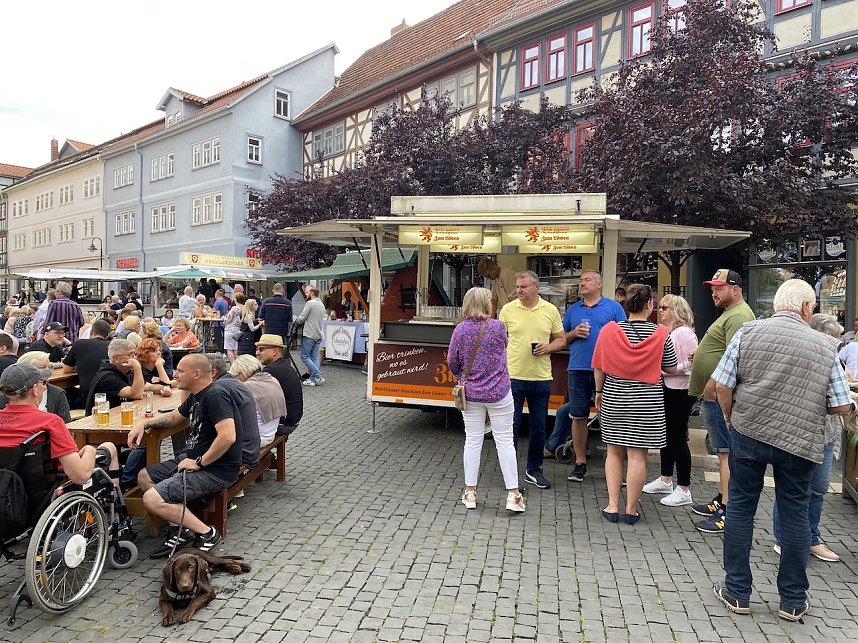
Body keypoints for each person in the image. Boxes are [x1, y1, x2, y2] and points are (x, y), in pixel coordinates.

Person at [711, 279, 852, 622]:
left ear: (776, 306)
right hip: (800, 441)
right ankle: (792, 599)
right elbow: (841, 406)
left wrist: (733, 420)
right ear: (806, 308)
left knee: (742, 507)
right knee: (795, 513)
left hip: (749, 433)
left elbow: (721, 386)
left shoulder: (747, 332)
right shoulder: (825, 345)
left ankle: (737, 591)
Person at [130, 353, 241, 557]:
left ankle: (208, 533)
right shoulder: (197, 395)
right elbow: (173, 418)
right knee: (144, 477)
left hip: (216, 469)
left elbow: (228, 436)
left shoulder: (216, 395)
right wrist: (143, 424)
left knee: (151, 499)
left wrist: (200, 462)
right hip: (193, 459)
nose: (175, 374)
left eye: (180, 370)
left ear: (196, 374)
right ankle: (181, 530)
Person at [591, 284, 677, 524]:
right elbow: (670, 366)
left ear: (626, 305)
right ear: (650, 305)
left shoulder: (610, 331)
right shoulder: (661, 334)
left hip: (615, 397)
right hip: (647, 402)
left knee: (614, 452)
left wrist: (599, 391)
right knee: (638, 456)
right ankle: (630, 510)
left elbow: (599, 365)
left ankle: (612, 505)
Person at [772, 313, 846, 563]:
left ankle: (811, 538)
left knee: (818, 489)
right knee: (792, 489)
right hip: (801, 432)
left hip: (826, 434)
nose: (834, 345)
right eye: (831, 339)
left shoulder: (834, 359)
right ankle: (785, 538)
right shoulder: (805, 357)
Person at [688, 269, 755, 534]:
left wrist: (713, 387)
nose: (713, 292)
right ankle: (721, 499)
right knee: (722, 453)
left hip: (719, 398)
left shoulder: (738, 314)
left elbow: (734, 359)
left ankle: (728, 510)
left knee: (726, 454)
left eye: (719, 288)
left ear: (735, 289)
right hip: (714, 396)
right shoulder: (731, 314)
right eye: (712, 288)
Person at [448, 287, 524, 513]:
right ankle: (513, 494)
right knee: (504, 442)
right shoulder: (498, 327)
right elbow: (505, 350)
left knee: (472, 441)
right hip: (499, 392)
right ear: (488, 304)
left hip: (471, 393)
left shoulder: (460, 330)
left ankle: (470, 492)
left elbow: (452, 361)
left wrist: (463, 374)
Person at [498, 270, 567, 490]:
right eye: (517, 287)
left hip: (540, 377)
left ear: (536, 287)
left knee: (538, 427)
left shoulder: (550, 310)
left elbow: (561, 339)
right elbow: (499, 342)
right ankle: (511, 475)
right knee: (513, 426)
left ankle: (533, 470)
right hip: (513, 376)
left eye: (523, 287)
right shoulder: (508, 310)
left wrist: (548, 347)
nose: (519, 291)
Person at [0, 363, 118, 486]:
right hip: (47, 494)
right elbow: (81, 476)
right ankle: (117, 502)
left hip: (7, 493)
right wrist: (90, 450)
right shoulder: (50, 422)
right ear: (34, 390)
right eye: (43, 383)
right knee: (109, 447)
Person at [561, 270, 626, 482]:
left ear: (599, 284)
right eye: (580, 280)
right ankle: (580, 463)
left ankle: (614, 465)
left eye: (587, 280)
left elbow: (624, 336)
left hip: (608, 370)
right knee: (578, 416)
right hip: (578, 368)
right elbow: (561, 338)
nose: (582, 283)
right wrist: (573, 333)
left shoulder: (613, 307)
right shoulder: (572, 310)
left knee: (612, 417)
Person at [642, 294, 699, 507]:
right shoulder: (669, 332)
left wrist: (667, 370)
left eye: (664, 307)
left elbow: (693, 364)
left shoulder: (684, 333)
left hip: (680, 391)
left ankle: (684, 488)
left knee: (677, 438)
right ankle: (666, 478)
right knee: (666, 436)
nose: (660, 310)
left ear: (675, 310)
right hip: (668, 389)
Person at [206, 353, 260, 469]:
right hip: (251, 448)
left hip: (242, 453)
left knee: (187, 454)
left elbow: (225, 436)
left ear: (213, 373)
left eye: (197, 372)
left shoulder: (218, 390)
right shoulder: (234, 383)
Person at [229, 355, 285, 449]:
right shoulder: (271, 379)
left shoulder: (246, 387)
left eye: (236, 376)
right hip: (271, 432)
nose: (236, 379)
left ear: (242, 373)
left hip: (257, 438)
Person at [84, 338, 148, 414]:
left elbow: (147, 386)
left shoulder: (127, 372)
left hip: (118, 416)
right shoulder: (106, 377)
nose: (134, 358)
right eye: (131, 355)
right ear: (116, 359)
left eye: (135, 354)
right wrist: (137, 367)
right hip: (101, 421)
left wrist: (163, 388)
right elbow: (136, 394)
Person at [255, 334, 303, 432]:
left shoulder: (271, 370)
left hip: (283, 423)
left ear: (275, 351)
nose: (257, 353)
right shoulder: (285, 366)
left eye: (261, 349)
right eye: (257, 349)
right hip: (292, 418)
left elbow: (255, 397)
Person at [62, 318, 111, 408]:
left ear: (91, 332)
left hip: (86, 398)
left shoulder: (79, 343)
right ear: (107, 335)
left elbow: (66, 369)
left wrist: (82, 366)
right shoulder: (112, 346)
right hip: (111, 396)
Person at [12, 351, 72, 422]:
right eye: (43, 367)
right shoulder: (10, 393)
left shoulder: (57, 393)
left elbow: (65, 422)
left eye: (49, 367)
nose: (48, 371)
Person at [294, 285, 325, 386]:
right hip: (319, 333)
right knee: (314, 357)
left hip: (309, 334)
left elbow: (302, 318)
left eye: (307, 292)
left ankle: (318, 375)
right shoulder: (321, 304)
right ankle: (313, 379)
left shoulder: (310, 303)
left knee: (304, 356)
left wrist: (295, 319)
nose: (306, 294)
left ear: (312, 293)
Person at [223, 294, 246, 363]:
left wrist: (224, 319)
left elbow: (229, 319)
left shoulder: (234, 308)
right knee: (236, 349)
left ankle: (233, 366)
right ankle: (239, 365)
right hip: (238, 330)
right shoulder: (244, 308)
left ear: (236, 299)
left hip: (230, 330)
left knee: (230, 349)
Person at [211, 290, 228, 354]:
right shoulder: (225, 302)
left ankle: (220, 351)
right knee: (223, 338)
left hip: (217, 323)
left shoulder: (217, 302)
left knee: (218, 338)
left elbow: (214, 312)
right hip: (223, 322)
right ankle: (224, 351)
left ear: (216, 295)